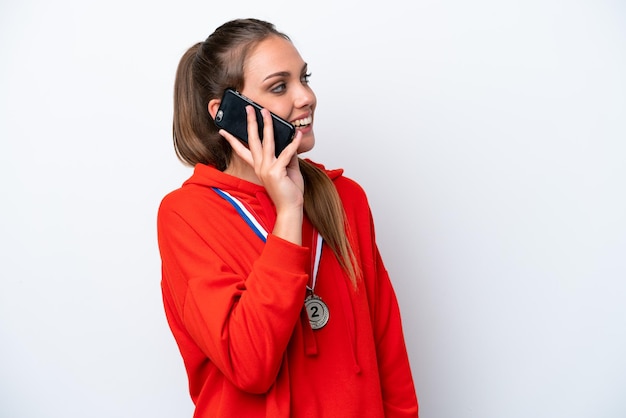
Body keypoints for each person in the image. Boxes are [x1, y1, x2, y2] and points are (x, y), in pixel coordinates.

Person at [157, 18, 419, 417]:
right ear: (225, 111)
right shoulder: (186, 216)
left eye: (304, 78)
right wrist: (288, 212)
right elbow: (250, 366)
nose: (306, 96)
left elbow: (389, 353)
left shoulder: (346, 199)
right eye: (279, 86)